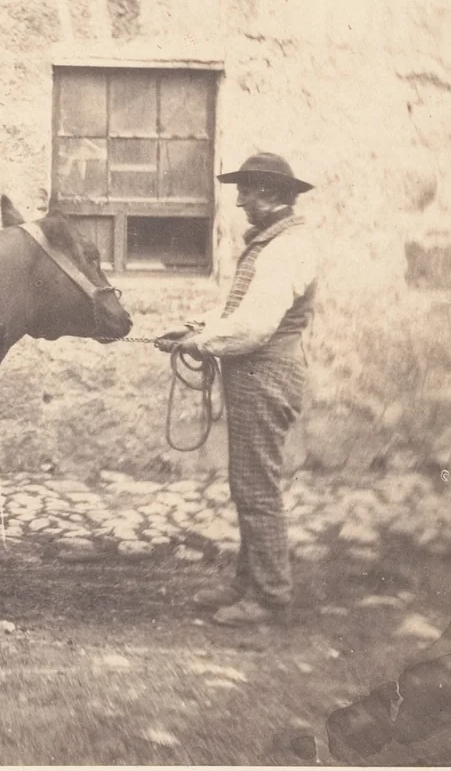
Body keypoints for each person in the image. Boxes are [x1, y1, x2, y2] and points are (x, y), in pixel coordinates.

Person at [155, 152, 316, 627]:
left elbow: (254, 326)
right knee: (247, 481)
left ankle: (269, 596)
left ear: (270, 194)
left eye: (247, 190)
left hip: (266, 374)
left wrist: (201, 342)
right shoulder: (270, 243)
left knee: (255, 486)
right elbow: (237, 312)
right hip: (253, 375)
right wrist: (190, 329)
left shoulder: (287, 247)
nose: (241, 200)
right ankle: (247, 582)